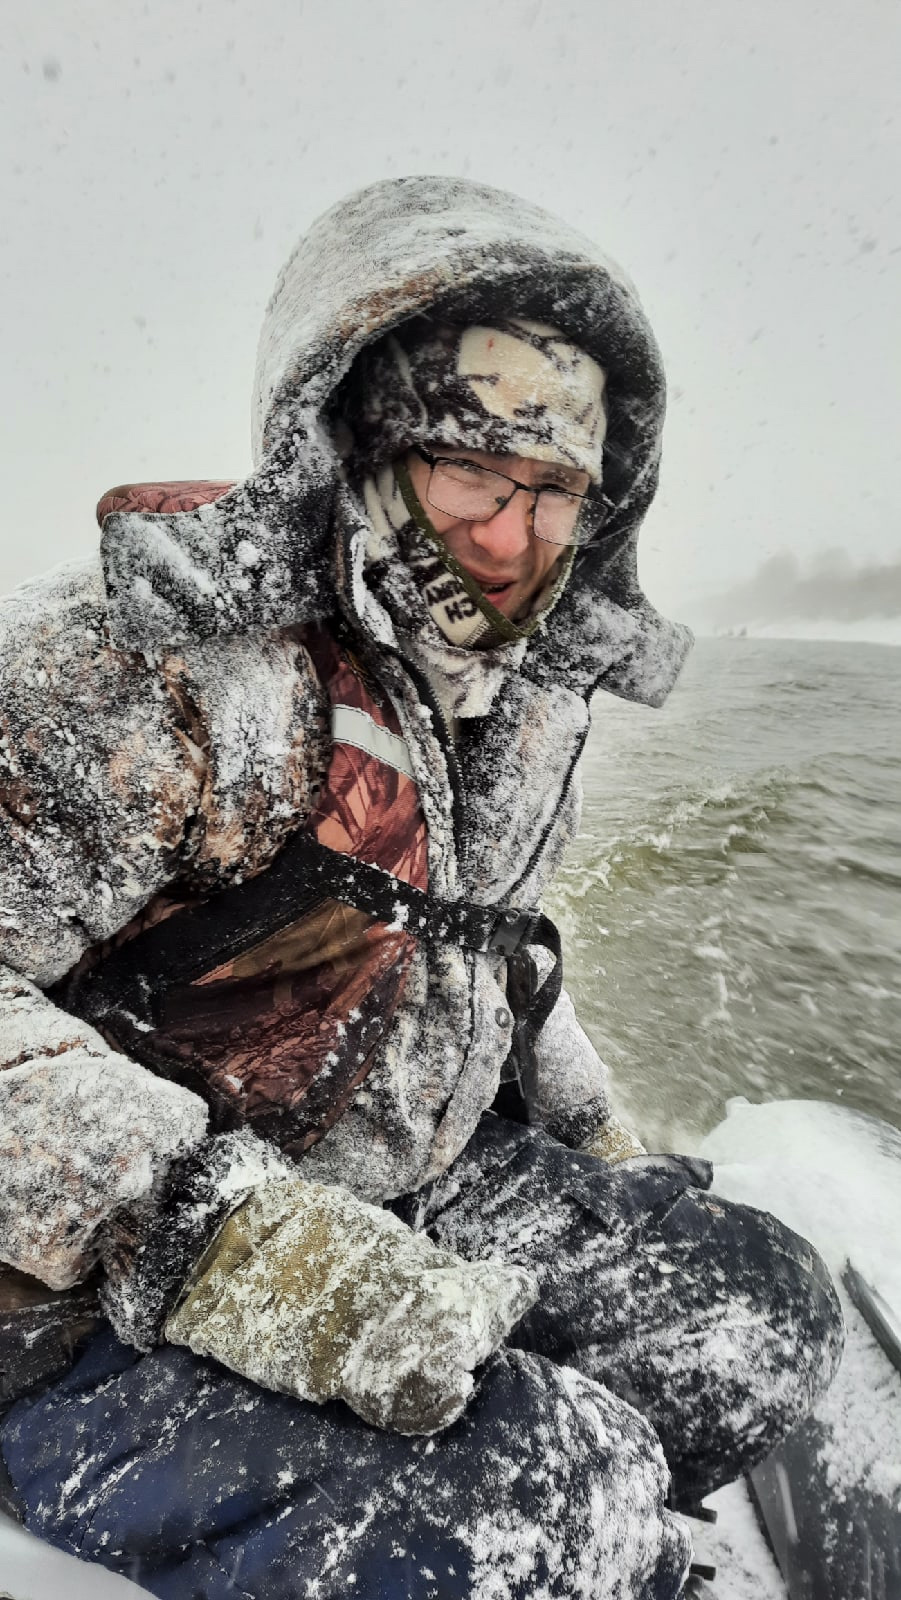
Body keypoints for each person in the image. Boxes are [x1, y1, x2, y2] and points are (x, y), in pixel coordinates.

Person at [0, 176, 843, 1600]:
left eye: (553, 492)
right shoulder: (134, 673)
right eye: (470, 475)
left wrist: (599, 1140)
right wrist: (222, 1234)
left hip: (393, 1180)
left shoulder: (522, 705)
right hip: (73, 1285)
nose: (511, 545)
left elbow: (480, 947)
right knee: (539, 1512)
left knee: (750, 1319)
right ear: (354, 448)